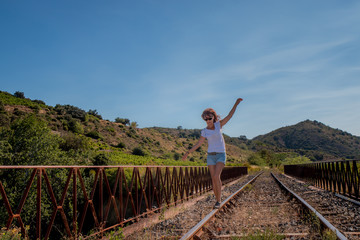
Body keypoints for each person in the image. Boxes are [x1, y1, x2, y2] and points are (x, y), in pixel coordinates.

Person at [182, 98, 243, 209]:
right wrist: (187, 153)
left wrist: (236, 104)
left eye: (210, 118)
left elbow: (230, 115)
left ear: (213, 117)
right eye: (206, 119)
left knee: (216, 176)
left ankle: (219, 201)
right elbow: (198, 144)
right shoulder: (204, 131)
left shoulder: (219, 125)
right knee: (213, 179)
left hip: (221, 154)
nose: (208, 120)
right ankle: (217, 200)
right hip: (210, 156)